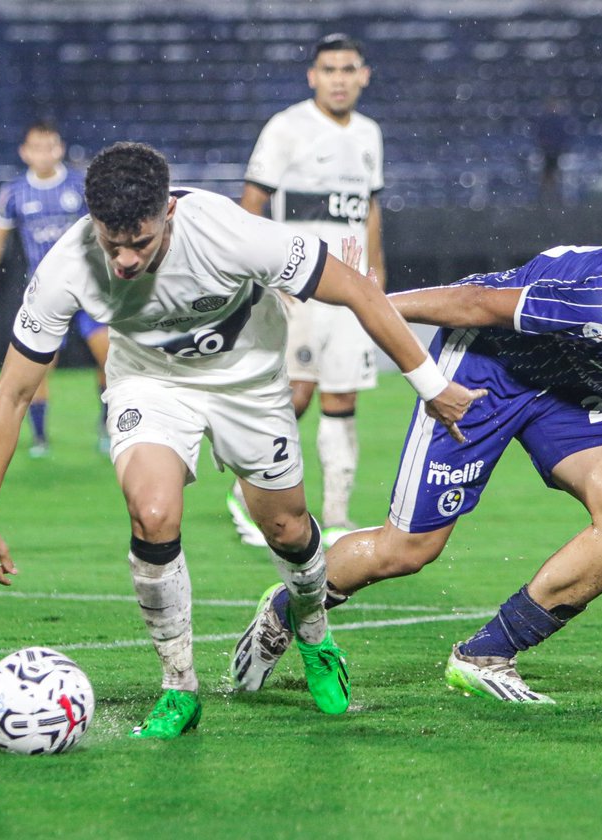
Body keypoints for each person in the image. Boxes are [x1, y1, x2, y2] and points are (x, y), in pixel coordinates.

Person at [0, 143, 482, 737]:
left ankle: (313, 634)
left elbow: (360, 291)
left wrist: (432, 384)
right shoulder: (66, 267)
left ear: (169, 214)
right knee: (152, 512)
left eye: (141, 242)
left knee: (287, 529)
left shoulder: (230, 232)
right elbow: (12, 394)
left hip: (251, 383)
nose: (126, 259)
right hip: (151, 384)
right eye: (113, 243)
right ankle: (179, 686)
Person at [233, 242, 602, 705]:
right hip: (489, 361)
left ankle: (486, 654)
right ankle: (285, 611)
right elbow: (475, 304)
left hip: (566, 385)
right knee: (407, 551)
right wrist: (364, 304)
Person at [230, 33, 385, 549]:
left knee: (342, 395)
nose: (338, 79)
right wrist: (259, 275)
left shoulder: (369, 134)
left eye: (347, 69)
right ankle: (247, 495)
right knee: (295, 394)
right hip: (297, 287)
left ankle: (336, 515)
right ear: (312, 76)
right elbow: (251, 202)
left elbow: (369, 211)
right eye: (329, 69)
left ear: (363, 75)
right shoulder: (287, 127)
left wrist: (375, 275)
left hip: (352, 289)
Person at [0, 121, 110, 456]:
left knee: (108, 355)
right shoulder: (14, 192)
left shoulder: (82, 185)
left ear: (60, 148)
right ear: (25, 152)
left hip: (89, 287)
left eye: (51, 146)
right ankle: (40, 436)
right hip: (44, 291)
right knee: (39, 364)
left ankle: (107, 424)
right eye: (37, 147)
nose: (45, 153)